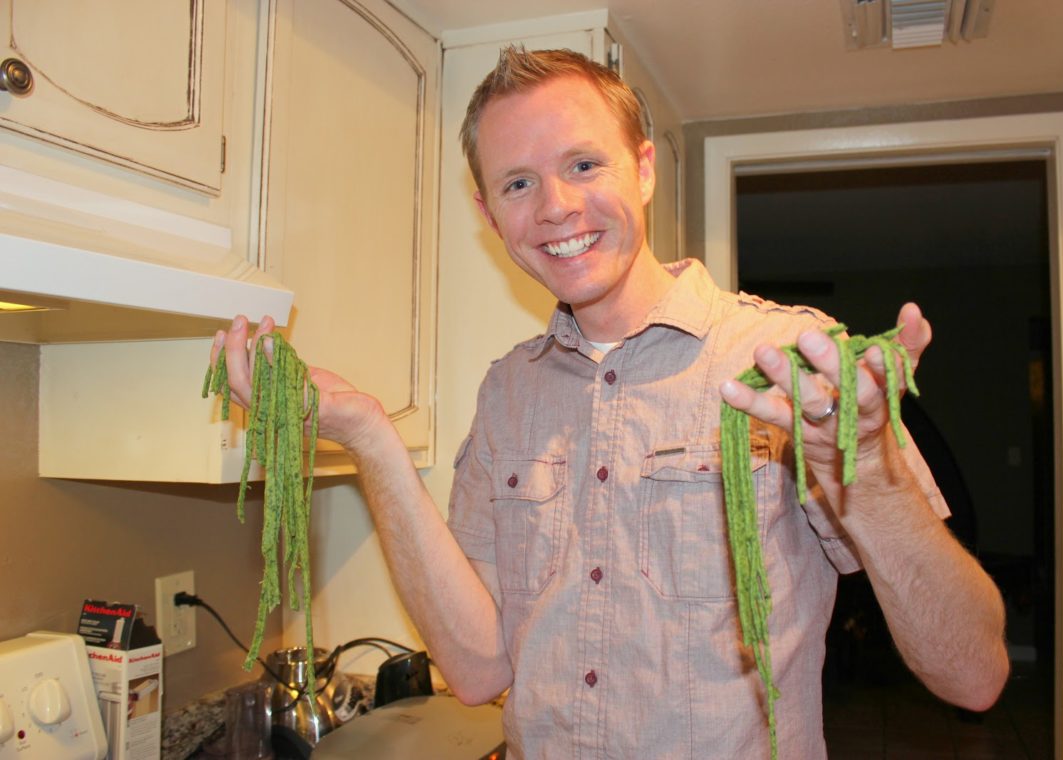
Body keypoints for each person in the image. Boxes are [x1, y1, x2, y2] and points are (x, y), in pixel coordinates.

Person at [214, 47, 1009, 758]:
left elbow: (974, 676)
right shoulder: (507, 393)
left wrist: (865, 470)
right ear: (492, 218)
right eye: (518, 183)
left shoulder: (788, 363)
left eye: (584, 165)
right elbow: (477, 666)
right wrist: (368, 436)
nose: (555, 206)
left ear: (644, 168)